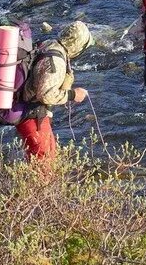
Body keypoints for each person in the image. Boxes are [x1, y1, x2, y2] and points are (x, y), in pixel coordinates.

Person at [15, 21, 92, 161]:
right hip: (31, 113)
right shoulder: (56, 61)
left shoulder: (49, 43)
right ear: (78, 45)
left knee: (49, 153)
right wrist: (73, 94)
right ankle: (39, 183)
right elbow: (46, 95)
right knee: (43, 162)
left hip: (25, 107)